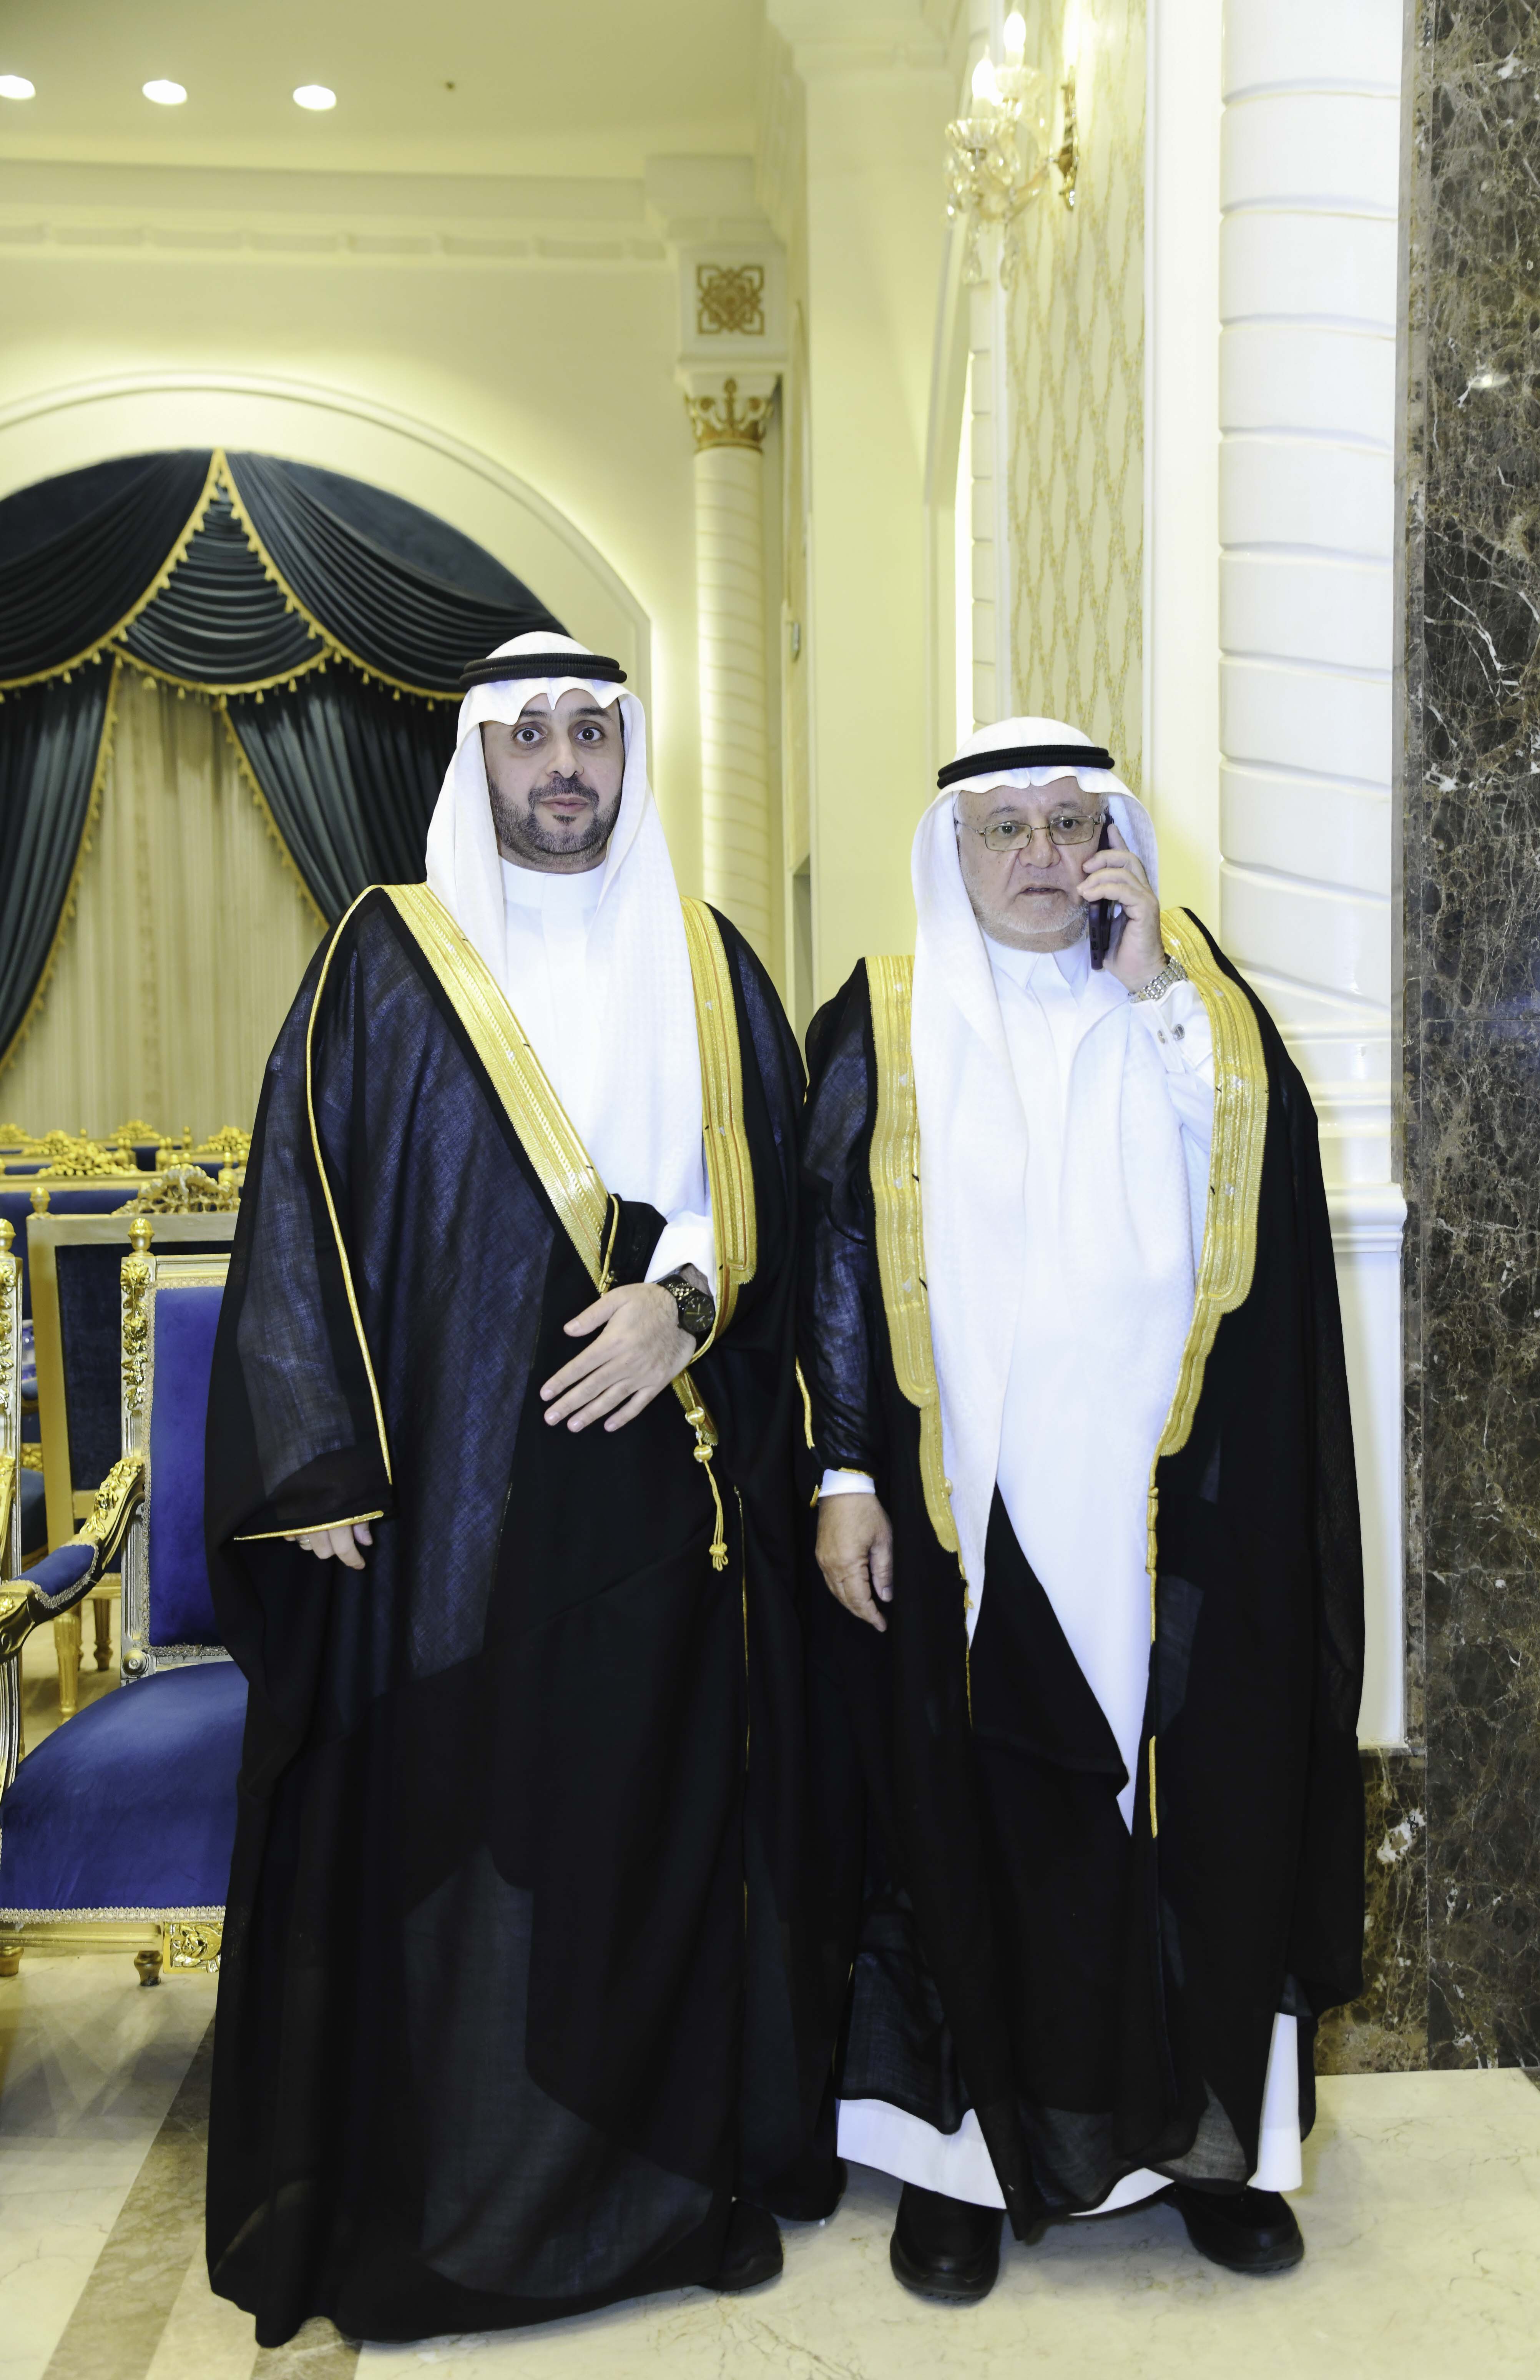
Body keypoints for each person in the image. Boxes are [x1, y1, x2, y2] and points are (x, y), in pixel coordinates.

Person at [205, 633, 828, 2348]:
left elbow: (770, 1197)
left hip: (659, 1481)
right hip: (452, 1504)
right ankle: (462, 2215)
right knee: (463, 1834)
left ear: (629, 754)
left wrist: (682, 1307)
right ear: (480, 756)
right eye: (530, 733)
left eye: (592, 733)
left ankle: (664, 2195)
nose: (565, 764)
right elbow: (298, 1199)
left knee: (652, 1830)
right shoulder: (387, 956)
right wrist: (312, 1457)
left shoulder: (709, 962)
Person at [798, 716, 1365, 2301]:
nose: (1043, 857)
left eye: (1072, 824)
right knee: (969, 1819)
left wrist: (1157, 988)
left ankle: (1212, 2151)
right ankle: (960, 2169)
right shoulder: (885, 1017)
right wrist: (844, 1471)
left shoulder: (1189, 1007)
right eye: (1008, 828)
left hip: (1166, 1508)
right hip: (966, 1506)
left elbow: (1260, 1208)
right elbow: (834, 1255)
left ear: (1115, 842)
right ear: (955, 851)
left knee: (1189, 1818)